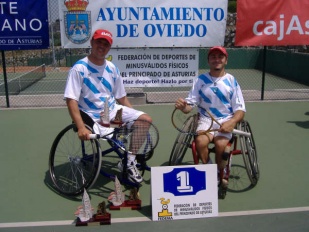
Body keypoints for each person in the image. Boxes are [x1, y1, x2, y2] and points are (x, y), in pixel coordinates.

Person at [64, 29, 152, 183]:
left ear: (109, 48)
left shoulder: (112, 68)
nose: (102, 46)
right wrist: (81, 127)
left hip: (112, 112)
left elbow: (121, 97)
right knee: (112, 132)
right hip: (91, 117)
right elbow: (71, 100)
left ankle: (128, 161)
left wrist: (132, 117)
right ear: (92, 42)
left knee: (145, 120)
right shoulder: (79, 69)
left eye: (106, 44)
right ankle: (128, 161)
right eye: (99, 42)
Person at [175, 46, 246, 186]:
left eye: (220, 57)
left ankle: (222, 170)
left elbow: (240, 110)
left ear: (226, 60)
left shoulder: (232, 81)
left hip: (225, 120)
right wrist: (184, 107)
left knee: (220, 144)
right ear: (208, 61)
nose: (216, 60)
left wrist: (232, 122)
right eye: (213, 57)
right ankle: (211, 170)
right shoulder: (200, 80)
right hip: (205, 119)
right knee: (200, 142)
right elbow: (190, 106)